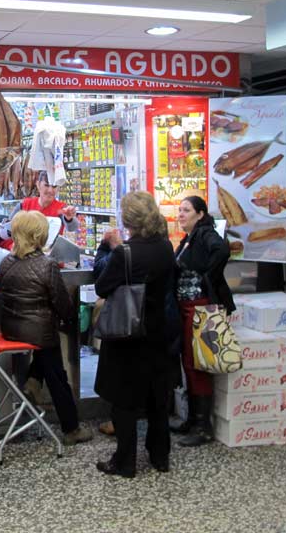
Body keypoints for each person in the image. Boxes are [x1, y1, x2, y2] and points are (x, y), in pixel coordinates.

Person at [93, 191, 175, 478]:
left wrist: (108, 249)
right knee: (157, 398)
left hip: (127, 335)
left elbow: (102, 287)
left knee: (124, 401)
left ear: (128, 220)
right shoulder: (166, 247)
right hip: (157, 331)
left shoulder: (124, 253)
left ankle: (125, 461)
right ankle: (160, 455)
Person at [0, 211, 92, 446]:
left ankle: (33, 379)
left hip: (11, 328)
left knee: (44, 338)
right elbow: (63, 305)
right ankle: (71, 428)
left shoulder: (7, 260)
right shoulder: (46, 265)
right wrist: (69, 319)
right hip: (38, 332)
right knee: (57, 374)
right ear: (41, 235)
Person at [173, 195, 234, 447]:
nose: (180, 214)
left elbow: (222, 250)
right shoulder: (189, 238)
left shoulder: (205, 233)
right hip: (188, 307)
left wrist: (208, 275)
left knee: (197, 363)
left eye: (186, 210)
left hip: (200, 308)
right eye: (179, 210)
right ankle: (192, 418)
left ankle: (203, 425)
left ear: (200, 214)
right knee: (189, 362)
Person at [0, 171, 78, 250]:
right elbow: (6, 231)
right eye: (46, 185)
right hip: (24, 254)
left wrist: (69, 219)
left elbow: (72, 228)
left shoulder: (62, 208)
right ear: (38, 185)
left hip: (50, 257)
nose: (50, 190)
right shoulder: (24, 204)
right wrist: (7, 227)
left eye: (54, 186)